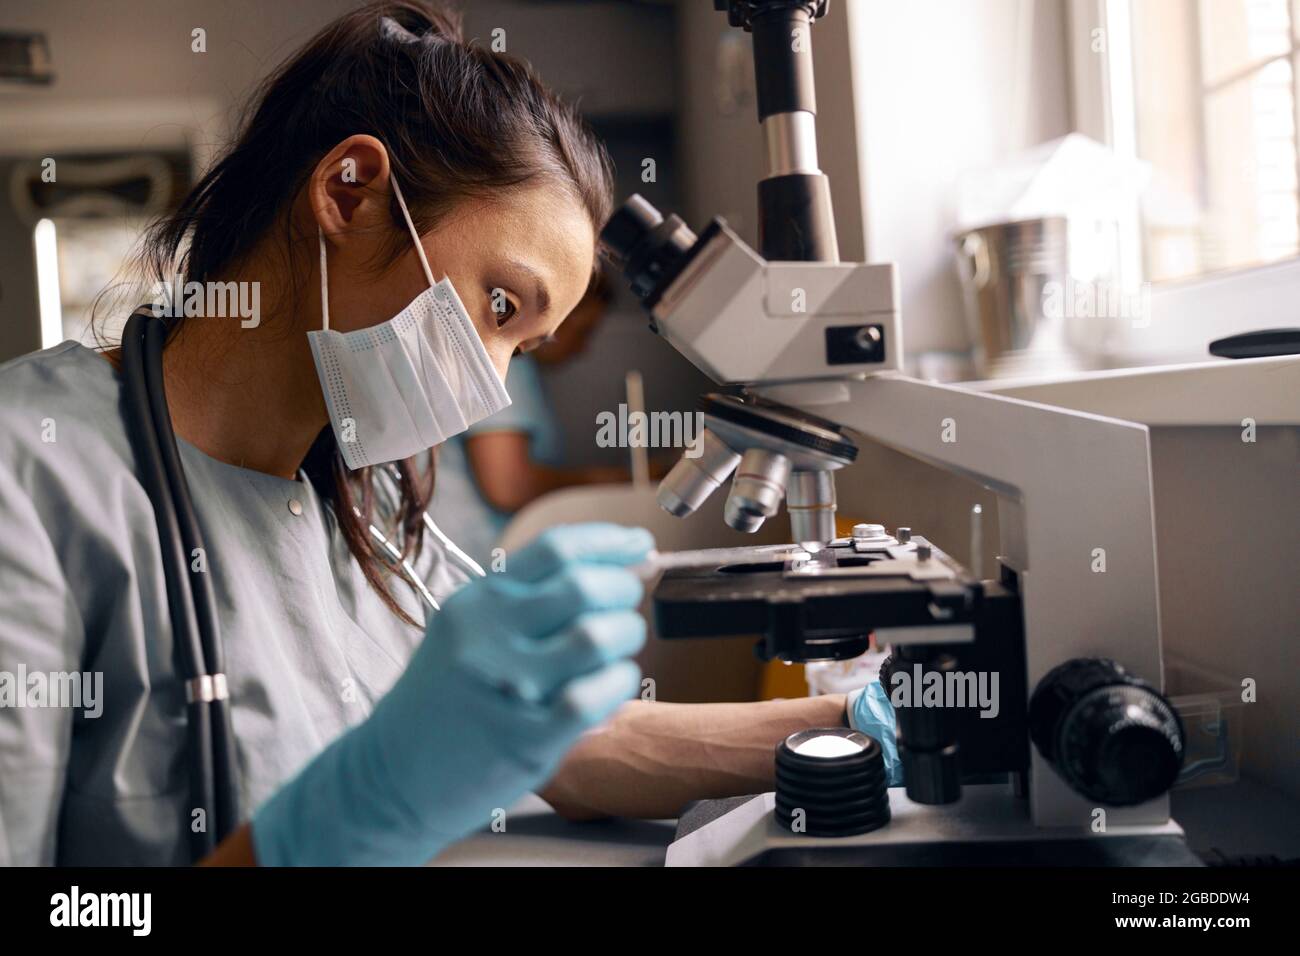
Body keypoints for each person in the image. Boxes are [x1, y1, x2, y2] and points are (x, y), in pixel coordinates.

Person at [0, 1, 890, 867]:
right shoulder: (29, 476)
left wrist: (864, 725)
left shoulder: (370, 500)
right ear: (349, 193)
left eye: (527, 345)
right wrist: (367, 801)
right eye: (501, 305)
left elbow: (577, 746)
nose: (496, 385)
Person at [431, 275, 647, 566]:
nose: (583, 349)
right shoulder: (508, 363)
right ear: (557, 315)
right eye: (583, 331)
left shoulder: (523, 371)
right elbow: (508, 485)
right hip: (462, 559)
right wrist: (618, 479)